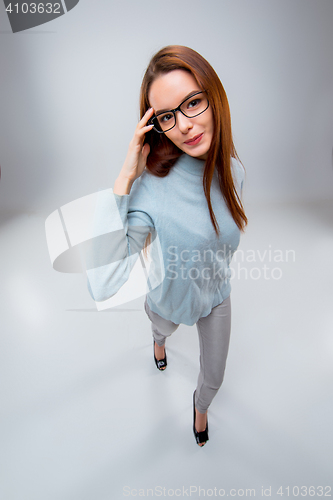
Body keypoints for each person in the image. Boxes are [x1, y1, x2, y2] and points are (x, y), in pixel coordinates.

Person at [86, 45, 247, 447]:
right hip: (169, 297)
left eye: (192, 102)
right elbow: (102, 283)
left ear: (214, 96)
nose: (186, 126)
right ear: (155, 125)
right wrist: (126, 176)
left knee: (215, 376)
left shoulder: (233, 170)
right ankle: (158, 339)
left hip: (216, 295)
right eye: (167, 116)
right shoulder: (151, 190)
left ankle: (200, 408)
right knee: (162, 326)